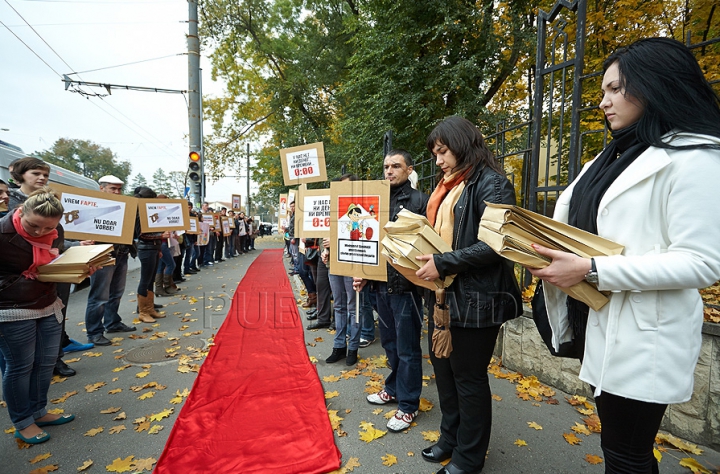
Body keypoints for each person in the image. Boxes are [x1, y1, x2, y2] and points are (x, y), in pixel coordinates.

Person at [527, 38, 720, 474]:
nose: (603, 102)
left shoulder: (696, 157)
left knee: (627, 454)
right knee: (618, 447)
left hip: (647, 335)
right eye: (602, 91)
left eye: (615, 89)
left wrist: (592, 269)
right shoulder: (617, 154)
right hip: (605, 322)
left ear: (653, 85)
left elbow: (703, 261)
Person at [415, 116, 522, 474]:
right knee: (444, 373)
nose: (439, 161)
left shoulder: (493, 184)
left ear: (461, 145)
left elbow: (496, 245)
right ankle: (450, 439)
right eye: (434, 154)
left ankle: (469, 458)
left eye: (443, 152)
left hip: (477, 299)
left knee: (468, 379)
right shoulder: (444, 187)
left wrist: (443, 263)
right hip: (442, 296)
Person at [0, 188, 90, 444]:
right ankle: (23, 421)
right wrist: (29, 278)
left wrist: (79, 268)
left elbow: (55, 260)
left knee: (46, 363)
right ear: (20, 211)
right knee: (19, 367)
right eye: (33, 226)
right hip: (11, 309)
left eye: (48, 228)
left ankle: (39, 411)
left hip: (47, 302)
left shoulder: (55, 231)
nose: (40, 233)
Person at [353, 149, 429, 432]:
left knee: (408, 348)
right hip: (378, 284)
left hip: (406, 287)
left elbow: (424, 246)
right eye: (385, 166)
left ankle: (408, 406)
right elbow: (362, 239)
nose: (389, 171)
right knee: (389, 344)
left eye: (395, 166)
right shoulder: (374, 200)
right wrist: (361, 273)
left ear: (409, 170)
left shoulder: (421, 201)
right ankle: (394, 388)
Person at [8, 157, 92, 378]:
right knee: (21, 354)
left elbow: (55, 241)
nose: (42, 177)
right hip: (21, 287)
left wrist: (77, 248)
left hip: (53, 275)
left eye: (45, 174)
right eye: (36, 173)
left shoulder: (55, 206)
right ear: (18, 175)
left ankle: (54, 359)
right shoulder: (8, 202)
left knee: (55, 320)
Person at [83, 175, 137, 347]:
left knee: (116, 292)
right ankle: (94, 332)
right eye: (113, 188)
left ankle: (112, 322)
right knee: (99, 295)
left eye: (119, 189)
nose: (117, 192)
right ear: (102, 188)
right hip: (102, 255)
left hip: (121, 253)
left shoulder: (124, 208)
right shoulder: (93, 207)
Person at [134, 186, 166, 323]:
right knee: (145, 280)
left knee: (150, 279)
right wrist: (161, 235)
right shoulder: (138, 214)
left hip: (154, 248)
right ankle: (143, 311)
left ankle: (150, 308)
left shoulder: (149, 212)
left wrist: (158, 247)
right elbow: (141, 235)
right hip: (145, 249)